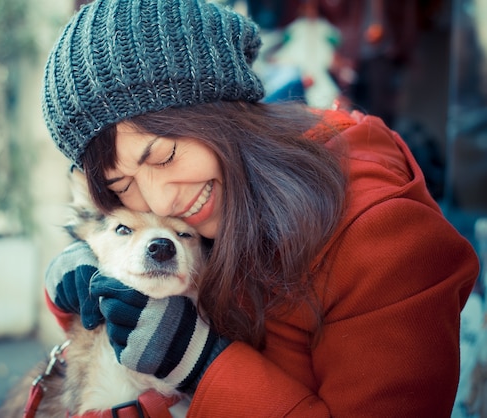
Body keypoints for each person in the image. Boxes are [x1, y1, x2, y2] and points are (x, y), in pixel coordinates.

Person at [40, 0, 480, 416]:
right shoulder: (214, 208)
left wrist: (201, 365)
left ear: (222, 111)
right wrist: (81, 286)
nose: (161, 200)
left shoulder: (382, 236)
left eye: (165, 156)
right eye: (123, 183)